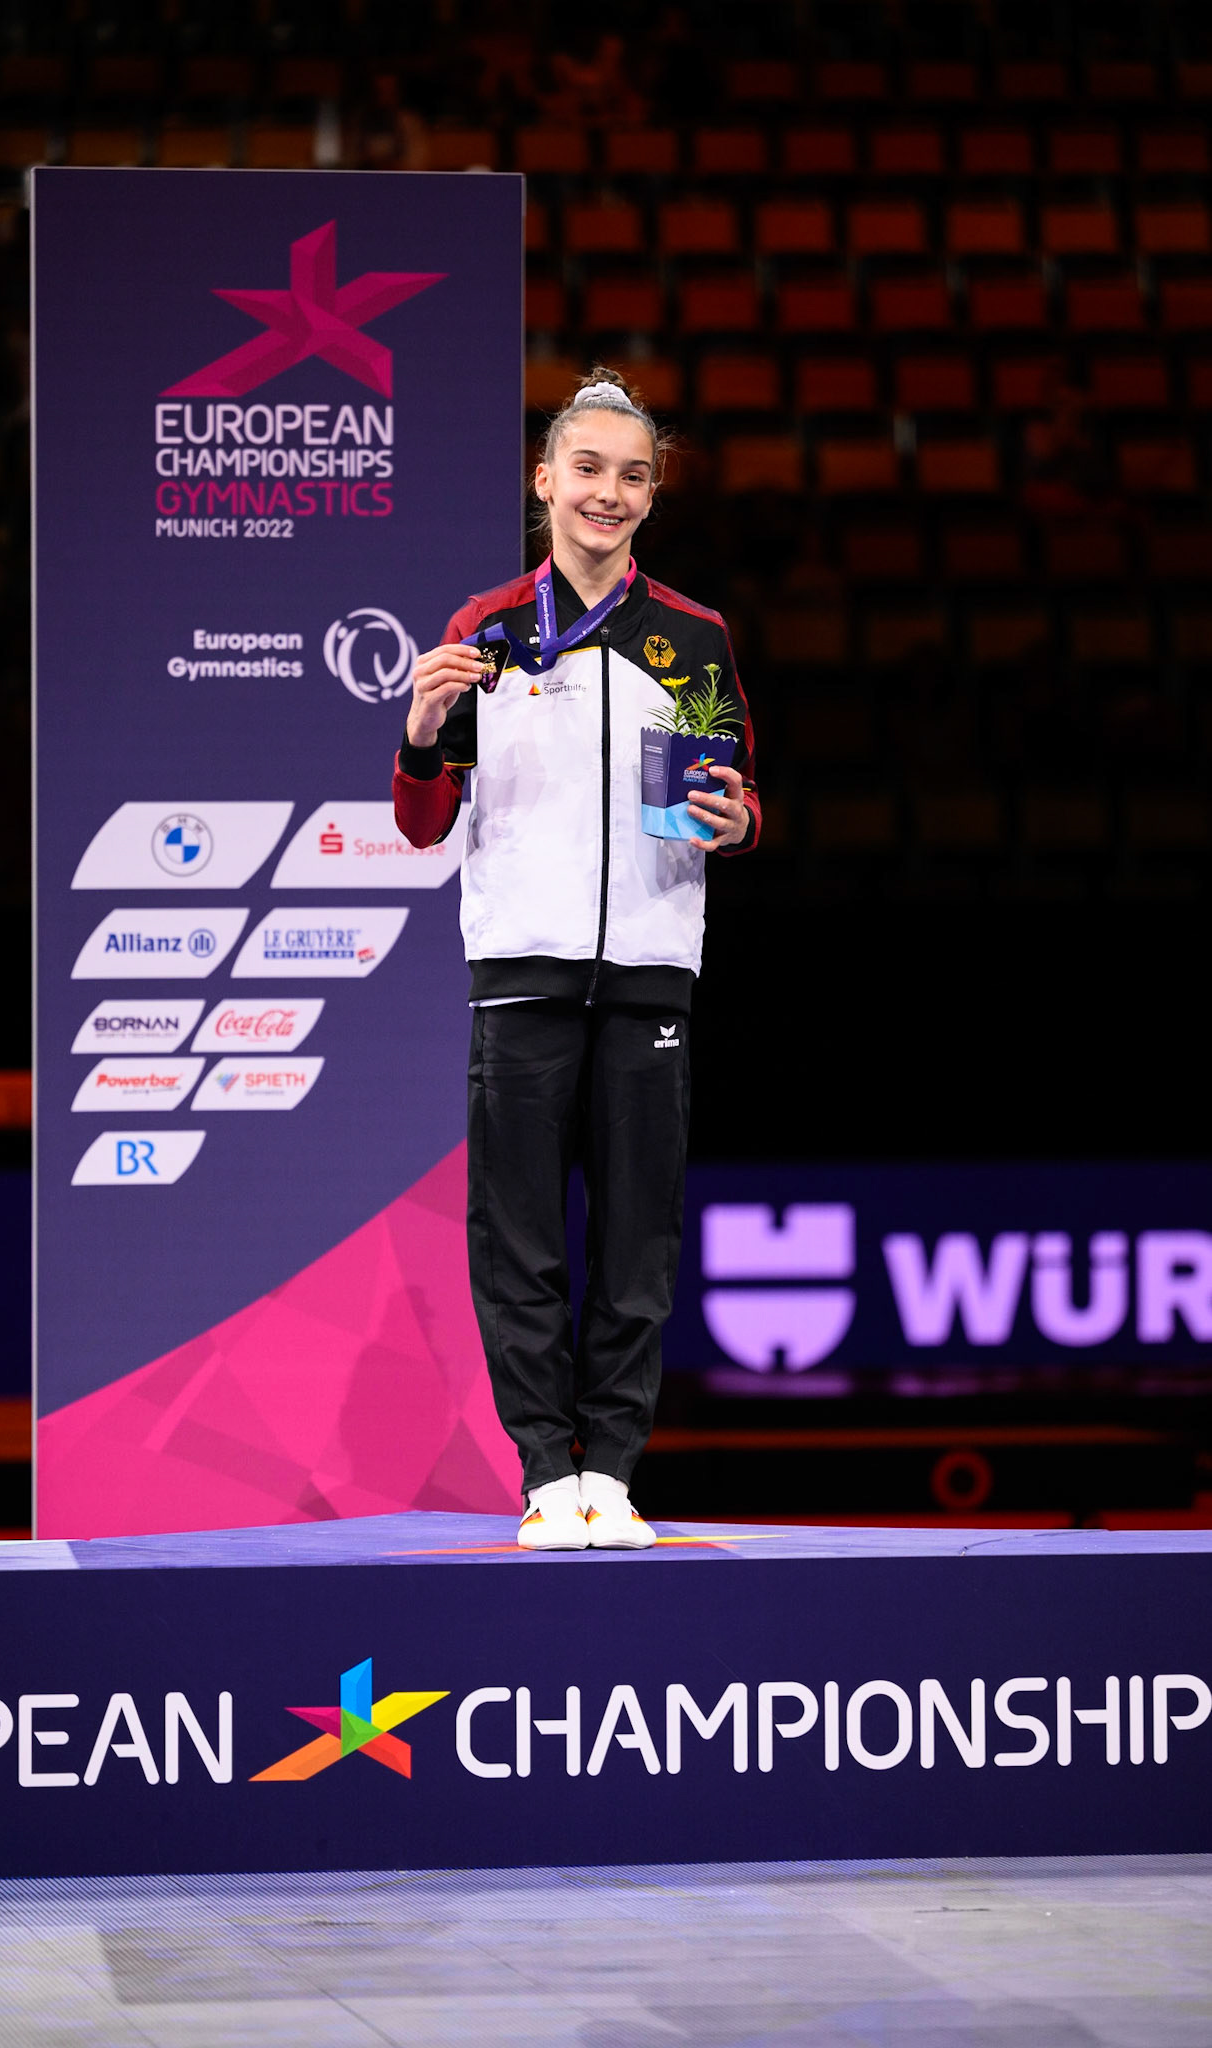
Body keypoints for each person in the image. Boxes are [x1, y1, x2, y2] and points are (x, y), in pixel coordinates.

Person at [392, 366, 761, 1552]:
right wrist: (412, 738)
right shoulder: (483, 631)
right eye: (588, 469)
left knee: (639, 1235)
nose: (610, 492)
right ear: (545, 480)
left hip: (652, 972)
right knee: (521, 1238)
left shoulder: (694, 638)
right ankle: (547, 1472)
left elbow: (741, 803)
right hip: (521, 974)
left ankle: (614, 1468)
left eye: (634, 474)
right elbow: (419, 821)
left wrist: (735, 819)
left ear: (653, 496)